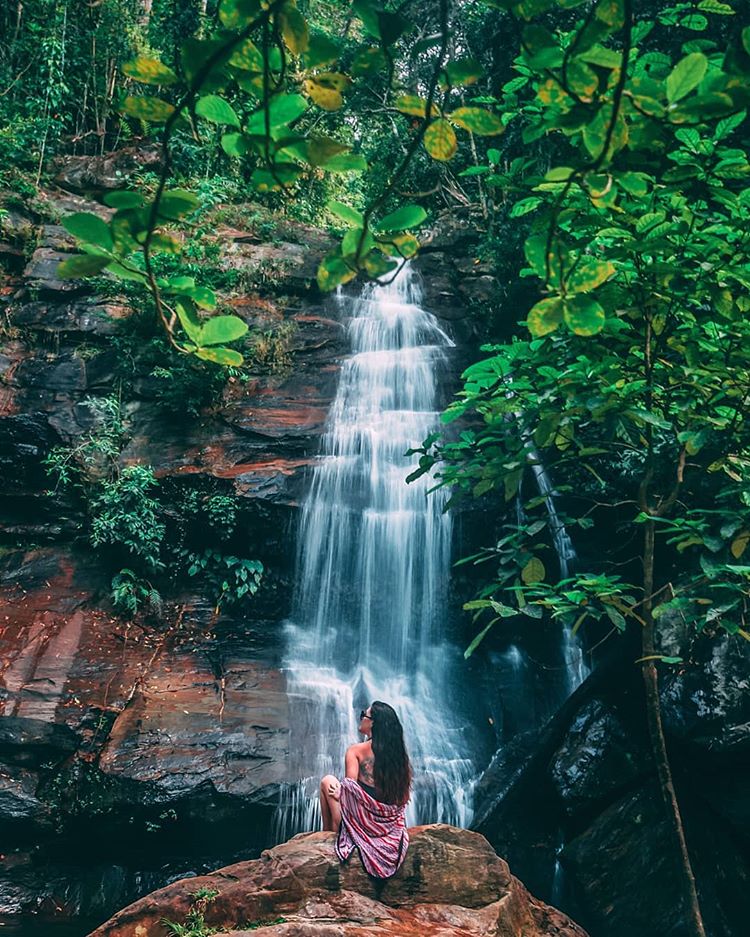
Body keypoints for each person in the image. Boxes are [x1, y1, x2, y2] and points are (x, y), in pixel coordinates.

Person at [319, 700, 412, 879]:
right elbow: (403, 799)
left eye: (364, 715)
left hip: (359, 827)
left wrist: (341, 789)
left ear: (373, 723)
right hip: (388, 828)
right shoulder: (399, 757)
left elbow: (350, 792)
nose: (360, 718)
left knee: (327, 781)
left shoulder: (356, 751)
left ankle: (325, 838)